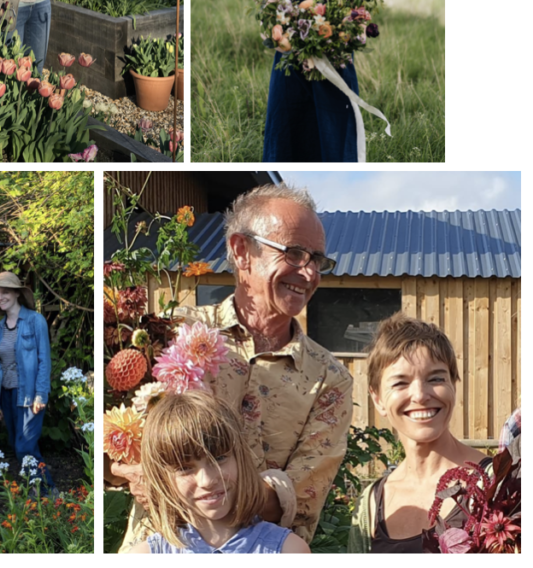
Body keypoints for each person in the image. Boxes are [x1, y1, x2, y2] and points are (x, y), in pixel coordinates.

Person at [110, 184, 353, 549]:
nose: (309, 273)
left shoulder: (328, 378)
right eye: (296, 253)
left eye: (317, 260)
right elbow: (106, 438)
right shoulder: (170, 333)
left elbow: (301, 498)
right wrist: (125, 470)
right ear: (242, 251)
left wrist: (187, 484)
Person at [348, 314, 492, 553]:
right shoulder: (371, 503)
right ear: (378, 399)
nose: (420, 395)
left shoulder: (498, 482)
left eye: (435, 378)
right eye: (400, 383)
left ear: (453, 387)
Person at [129, 392, 310, 554]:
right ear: (161, 478)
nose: (206, 481)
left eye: (219, 459)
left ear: (240, 457)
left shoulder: (289, 551)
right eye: (184, 468)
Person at [262, 0, 365, 162]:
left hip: (335, 78)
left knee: (335, 145)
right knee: (290, 144)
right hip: (291, 81)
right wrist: (284, 40)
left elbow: (360, 30)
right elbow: (267, 31)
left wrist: (353, 35)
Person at [0, 271, 54, 489]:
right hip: (7, 396)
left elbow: (43, 360)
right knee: (17, 444)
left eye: (4, 292)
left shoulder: (35, 321)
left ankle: (47, 491)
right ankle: (36, 491)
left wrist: (41, 394)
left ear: (17, 294)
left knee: (25, 446)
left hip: (29, 395)